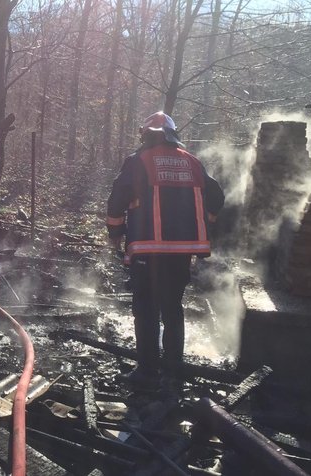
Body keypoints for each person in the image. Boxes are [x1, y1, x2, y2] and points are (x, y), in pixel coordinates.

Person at [106, 111, 224, 391]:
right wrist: (207, 220)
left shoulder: (139, 160)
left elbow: (117, 198)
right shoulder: (192, 162)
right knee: (172, 308)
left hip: (148, 249)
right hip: (182, 252)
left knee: (146, 309)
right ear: (172, 134)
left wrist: (115, 233)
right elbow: (217, 195)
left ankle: (147, 372)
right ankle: (173, 371)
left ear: (146, 135)